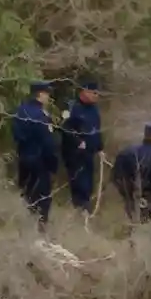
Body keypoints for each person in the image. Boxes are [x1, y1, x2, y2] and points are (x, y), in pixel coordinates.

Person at [12, 80, 58, 228]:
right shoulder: (42, 115)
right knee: (42, 198)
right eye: (47, 94)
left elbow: (17, 135)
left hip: (23, 158)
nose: (48, 97)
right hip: (40, 161)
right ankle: (40, 228)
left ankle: (23, 225)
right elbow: (48, 142)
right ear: (40, 94)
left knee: (26, 192)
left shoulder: (21, 111)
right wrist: (53, 164)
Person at [111, 125, 151, 222]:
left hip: (131, 199)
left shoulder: (126, 153)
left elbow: (116, 177)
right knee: (150, 224)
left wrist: (126, 195)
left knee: (132, 221)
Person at [60, 79, 103, 213]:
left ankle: (86, 210)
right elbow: (65, 128)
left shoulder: (94, 110)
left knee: (88, 184)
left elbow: (96, 130)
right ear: (85, 92)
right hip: (75, 154)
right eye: (94, 93)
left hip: (89, 153)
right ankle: (80, 210)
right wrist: (78, 142)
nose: (97, 96)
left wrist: (100, 148)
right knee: (79, 183)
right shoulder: (73, 107)